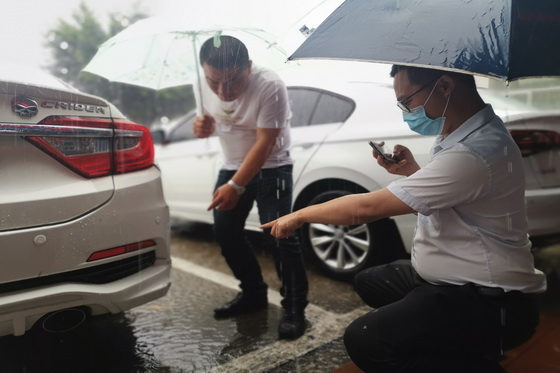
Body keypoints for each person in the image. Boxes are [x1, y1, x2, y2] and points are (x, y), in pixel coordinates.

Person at [261, 65, 546, 370]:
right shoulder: (465, 133)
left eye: (407, 101)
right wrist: (412, 172)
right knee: (370, 281)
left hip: (488, 300)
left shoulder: (474, 152)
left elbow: (367, 208)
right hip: (453, 277)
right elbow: (460, 200)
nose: (406, 112)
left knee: (364, 341)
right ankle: (458, 344)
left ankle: (474, 358)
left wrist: (301, 215)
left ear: (445, 86)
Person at [193, 35, 309, 340]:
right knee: (225, 231)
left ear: (249, 67)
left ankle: (295, 308)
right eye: (213, 81)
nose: (222, 91)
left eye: (231, 80)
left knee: (281, 235)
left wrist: (235, 185)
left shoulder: (270, 85)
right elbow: (221, 120)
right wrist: (204, 127)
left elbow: (265, 143)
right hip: (231, 164)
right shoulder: (202, 82)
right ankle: (254, 294)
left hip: (274, 165)